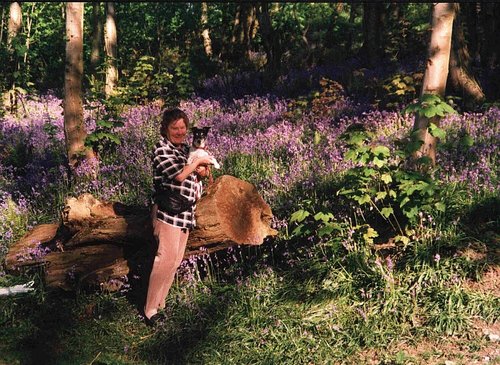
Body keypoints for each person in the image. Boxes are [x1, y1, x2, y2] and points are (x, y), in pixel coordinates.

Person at [143, 108, 212, 326]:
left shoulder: (184, 149)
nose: (180, 132)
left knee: (174, 261)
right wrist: (196, 164)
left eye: (183, 127)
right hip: (168, 212)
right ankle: (150, 311)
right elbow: (180, 175)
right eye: (175, 128)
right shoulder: (161, 149)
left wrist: (203, 171)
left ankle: (161, 305)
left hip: (186, 212)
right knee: (164, 260)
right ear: (166, 129)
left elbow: (200, 174)